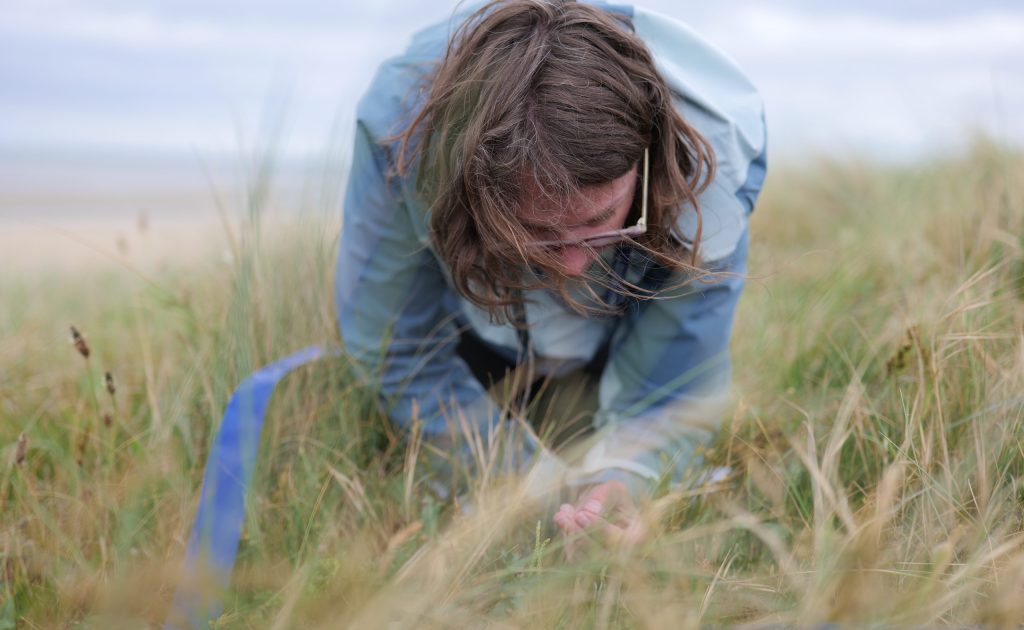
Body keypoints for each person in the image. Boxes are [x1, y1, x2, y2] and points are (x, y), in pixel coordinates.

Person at [335, 0, 766, 544]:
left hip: (621, 337)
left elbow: (675, 377)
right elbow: (394, 344)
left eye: (600, 219)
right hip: (478, 348)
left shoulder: (717, 161)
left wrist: (628, 480)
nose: (576, 262)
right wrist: (524, 491)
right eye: (537, 231)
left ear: (646, 155)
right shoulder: (400, 137)